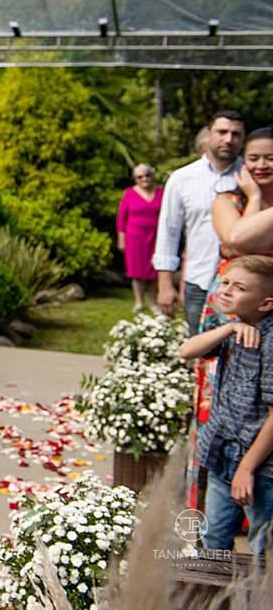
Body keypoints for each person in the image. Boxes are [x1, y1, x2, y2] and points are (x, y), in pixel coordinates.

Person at [179, 254, 273, 554]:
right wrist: (229, 328)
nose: (226, 290)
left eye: (240, 287)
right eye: (226, 282)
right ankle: (215, 599)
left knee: (264, 550)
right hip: (224, 456)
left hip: (261, 466)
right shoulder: (237, 326)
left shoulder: (269, 343)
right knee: (213, 541)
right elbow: (187, 350)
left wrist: (247, 468)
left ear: (266, 303)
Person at [154, 110, 245, 334]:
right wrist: (165, 285)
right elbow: (168, 232)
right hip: (199, 282)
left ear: (243, 139)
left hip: (247, 286)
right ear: (208, 135)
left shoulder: (253, 176)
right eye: (222, 132)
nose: (228, 139)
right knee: (200, 352)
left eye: (236, 134)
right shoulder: (182, 178)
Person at [117, 163, 163, 314]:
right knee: (137, 270)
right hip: (135, 238)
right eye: (140, 177)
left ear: (152, 176)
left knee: (155, 270)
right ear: (135, 179)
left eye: (147, 175)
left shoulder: (161, 192)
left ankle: (153, 303)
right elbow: (122, 218)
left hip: (156, 237)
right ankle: (138, 302)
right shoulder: (129, 193)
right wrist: (121, 238)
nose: (144, 179)